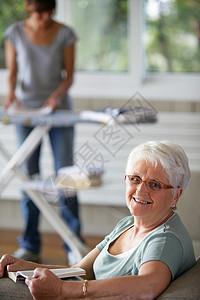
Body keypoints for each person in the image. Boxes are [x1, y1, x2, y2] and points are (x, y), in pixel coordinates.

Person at [0, 140, 196, 299]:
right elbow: (79, 271)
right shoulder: (127, 224)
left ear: (176, 196)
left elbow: (148, 286)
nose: (140, 190)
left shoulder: (164, 240)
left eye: (154, 184)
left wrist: (61, 291)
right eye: (135, 179)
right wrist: (27, 266)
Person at [3, 0, 82, 265]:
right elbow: (12, 72)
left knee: (66, 176)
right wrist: (10, 94)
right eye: (39, 12)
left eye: (50, 11)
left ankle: (74, 244)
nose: (45, 17)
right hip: (25, 112)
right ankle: (29, 244)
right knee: (29, 177)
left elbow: (68, 76)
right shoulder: (14, 33)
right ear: (28, 6)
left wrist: (57, 97)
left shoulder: (66, 33)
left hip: (58, 111)